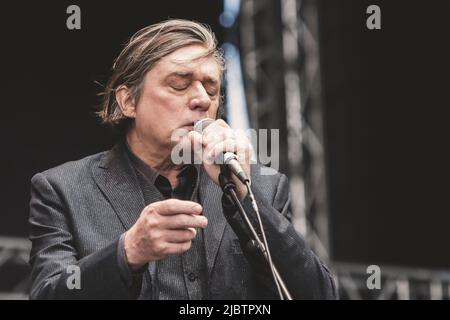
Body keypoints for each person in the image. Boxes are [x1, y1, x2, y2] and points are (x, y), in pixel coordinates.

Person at [28, 19, 337, 300]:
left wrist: (245, 198)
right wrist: (128, 252)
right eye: (179, 83)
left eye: (212, 89)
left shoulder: (261, 187)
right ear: (128, 101)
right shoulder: (63, 189)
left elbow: (319, 295)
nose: (202, 99)